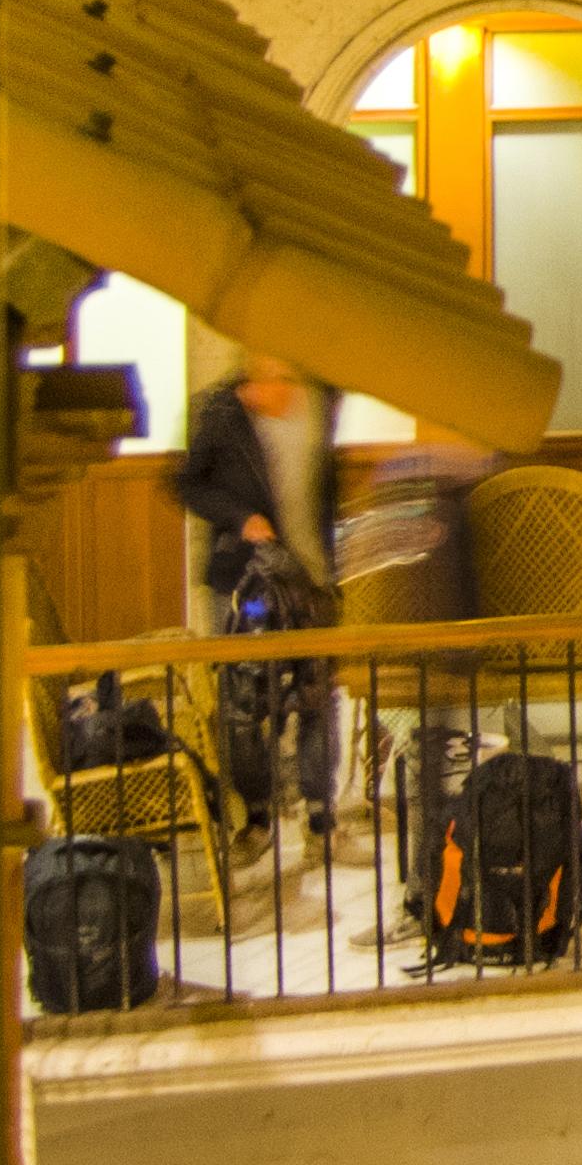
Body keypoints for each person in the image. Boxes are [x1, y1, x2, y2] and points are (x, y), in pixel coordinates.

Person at [174, 354, 345, 842]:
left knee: (316, 693)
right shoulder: (221, 415)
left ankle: (319, 808)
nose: (284, 391)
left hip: (309, 577)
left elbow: (325, 495)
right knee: (243, 700)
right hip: (241, 577)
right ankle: (256, 811)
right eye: (274, 380)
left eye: (290, 379)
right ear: (252, 380)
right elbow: (187, 483)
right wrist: (239, 516)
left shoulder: (320, 407)